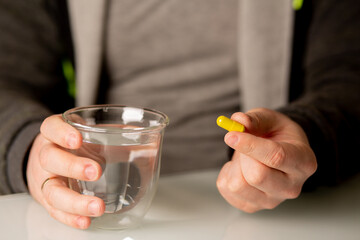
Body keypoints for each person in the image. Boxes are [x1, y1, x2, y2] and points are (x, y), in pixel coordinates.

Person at [0, 0, 359, 230]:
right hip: (97, 207)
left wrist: (306, 131)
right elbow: (8, 78)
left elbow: (348, 75)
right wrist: (31, 148)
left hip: (269, 219)